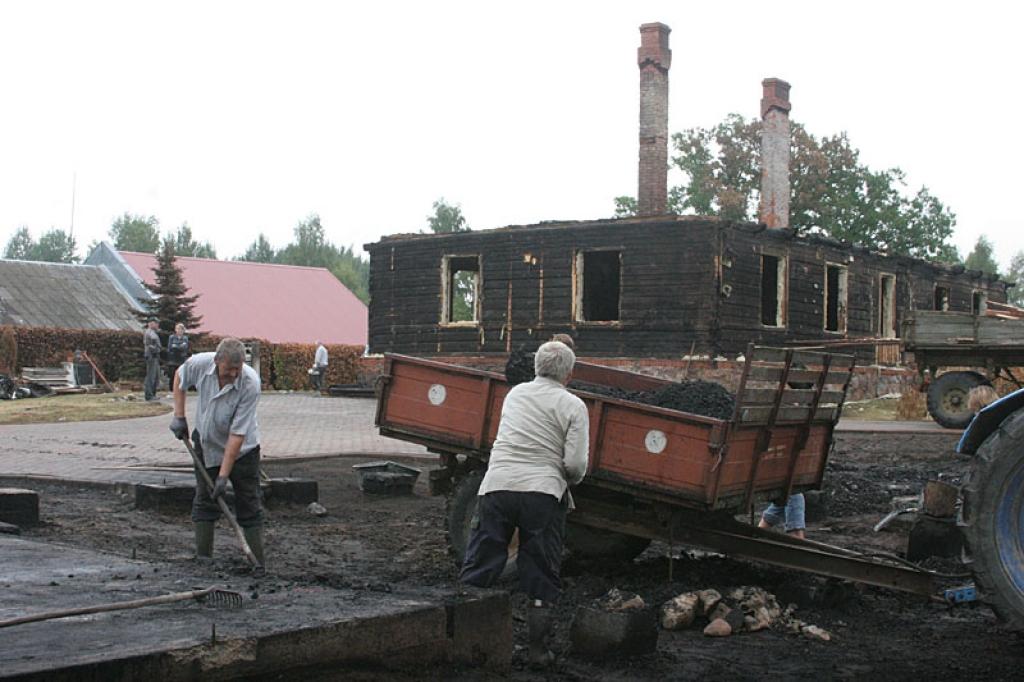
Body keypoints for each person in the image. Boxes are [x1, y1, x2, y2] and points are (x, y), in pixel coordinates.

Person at [460, 340, 589, 666]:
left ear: (536, 368)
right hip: (542, 495)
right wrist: (562, 480)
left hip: (497, 487)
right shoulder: (573, 405)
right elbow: (574, 465)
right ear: (569, 375)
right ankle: (537, 652)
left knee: (481, 563)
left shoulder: (515, 395)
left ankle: (468, 644)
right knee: (540, 570)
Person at [168, 337, 264, 564]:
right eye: (228, 369)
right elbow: (180, 377)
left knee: (249, 503)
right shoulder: (201, 364)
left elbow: (237, 435)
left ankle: (258, 563)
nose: (233, 374)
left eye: (237, 369)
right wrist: (179, 416)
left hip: (243, 452)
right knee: (204, 500)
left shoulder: (250, 383)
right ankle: (204, 559)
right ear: (216, 361)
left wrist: (223, 476)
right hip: (206, 444)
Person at [165, 323, 190, 390]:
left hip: (181, 359)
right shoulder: (172, 337)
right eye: (178, 329)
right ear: (175, 330)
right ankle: (171, 390)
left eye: (181, 329)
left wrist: (176, 346)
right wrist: (179, 346)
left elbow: (185, 347)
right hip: (173, 360)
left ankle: (181, 389)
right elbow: (170, 347)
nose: (179, 330)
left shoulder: (185, 338)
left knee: (181, 375)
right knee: (172, 376)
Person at [143, 320, 162, 401]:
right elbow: (148, 344)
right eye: (156, 324)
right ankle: (149, 395)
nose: (157, 325)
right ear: (151, 324)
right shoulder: (149, 332)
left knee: (155, 376)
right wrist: (156, 349)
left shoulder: (153, 332)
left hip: (154, 356)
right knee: (151, 376)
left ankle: (153, 394)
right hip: (151, 356)